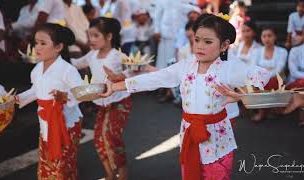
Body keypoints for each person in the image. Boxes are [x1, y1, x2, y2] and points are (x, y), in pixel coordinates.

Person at [100, 14, 270, 180]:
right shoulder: (185, 66)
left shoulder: (229, 68)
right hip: (189, 134)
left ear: (224, 45)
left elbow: (264, 76)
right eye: (197, 40)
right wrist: (115, 87)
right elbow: (155, 79)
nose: (199, 46)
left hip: (218, 138)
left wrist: (242, 95)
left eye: (208, 42)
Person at [16, 23, 84, 179]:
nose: (37, 47)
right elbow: (36, 91)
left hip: (66, 124)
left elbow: (81, 93)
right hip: (46, 122)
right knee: (46, 161)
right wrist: (16, 99)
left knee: (63, 163)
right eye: (36, 43)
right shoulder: (37, 69)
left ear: (58, 47)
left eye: (43, 43)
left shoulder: (67, 70)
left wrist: (65, 97)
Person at [71, 17, 130, 180]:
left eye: (96, 36)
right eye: (90, 36)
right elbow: (75, 64)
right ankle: (110, 174)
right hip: (101, 103)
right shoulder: (92, 55)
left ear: (109, 36)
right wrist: (58, 55)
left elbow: (133, 70)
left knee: (110, 137)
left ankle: (123, 174)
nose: (91, 40)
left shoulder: (117, 55)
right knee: (98, 140)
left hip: (119, 102)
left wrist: (119, 76)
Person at [251, 27, 288, 122]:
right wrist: (268, 70)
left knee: (270, 81)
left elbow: (279, 69)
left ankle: (262, 111)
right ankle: (270, 109)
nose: (267, 39)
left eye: (269, 36)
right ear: (261, 38)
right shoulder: (256, 51)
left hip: (277, 79)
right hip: (260, 79)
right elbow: (254, 68)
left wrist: (264, 72)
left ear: (275, 37)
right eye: (264, 36)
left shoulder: (282, 51)